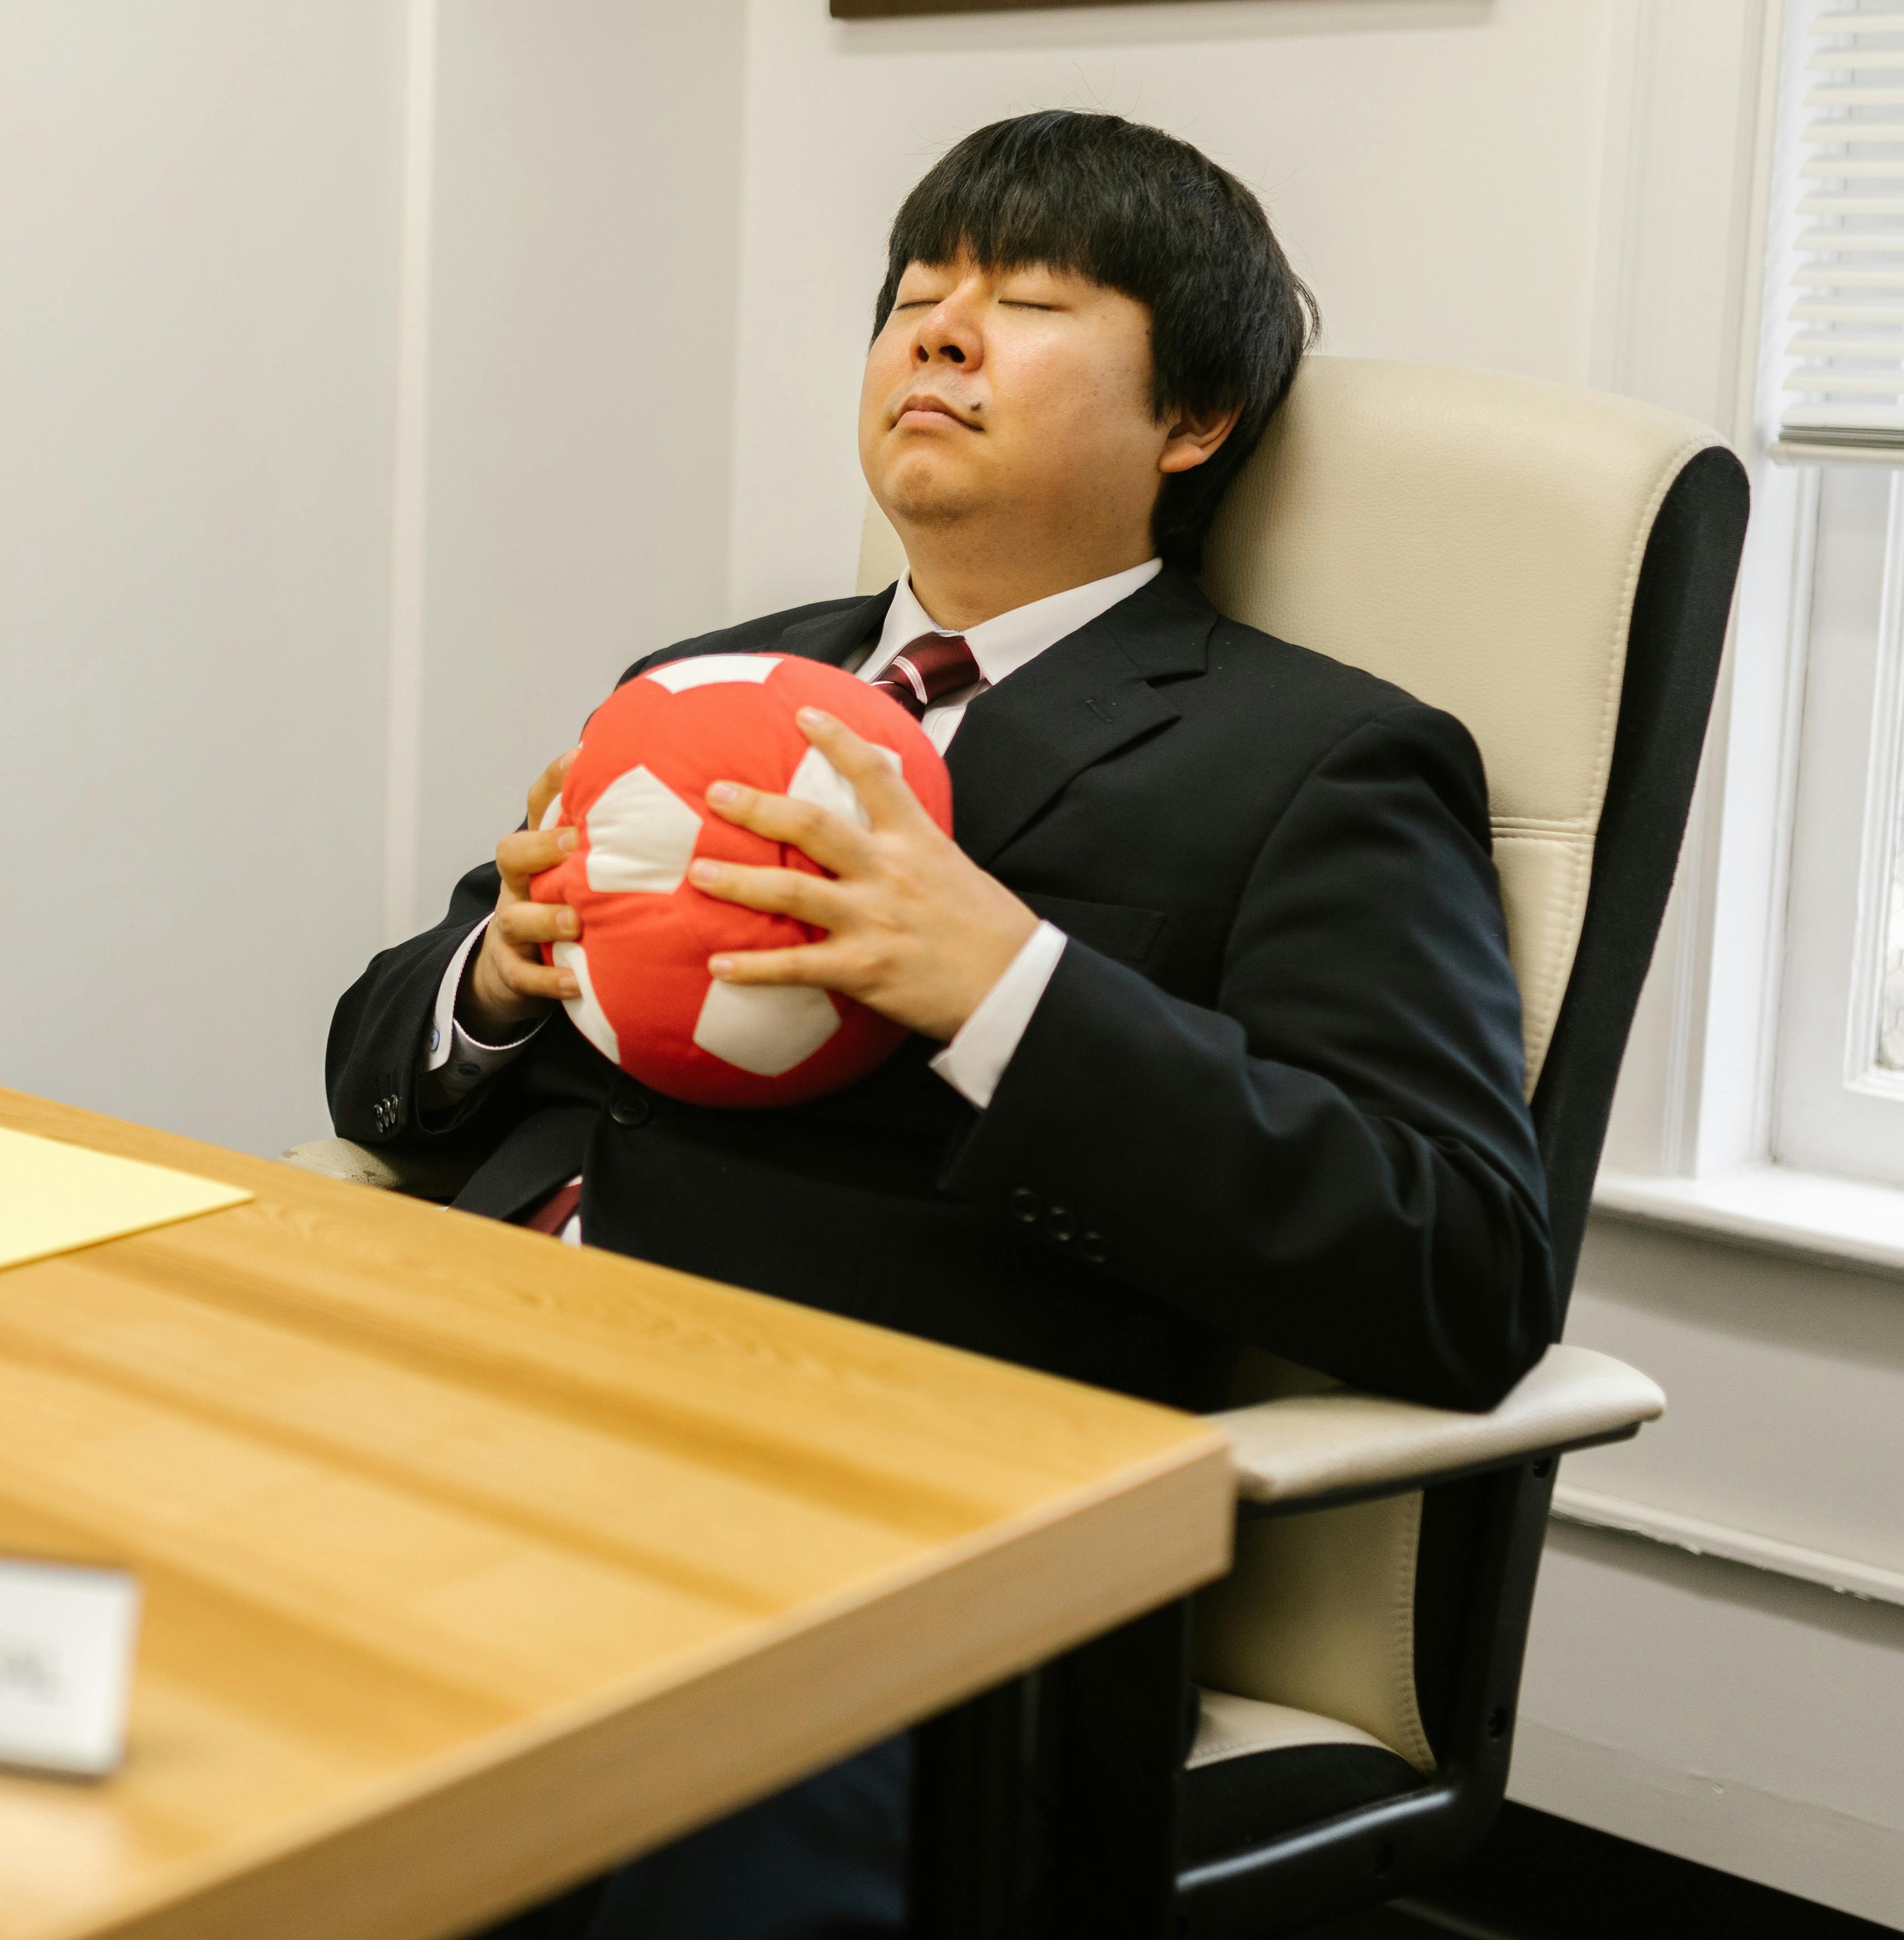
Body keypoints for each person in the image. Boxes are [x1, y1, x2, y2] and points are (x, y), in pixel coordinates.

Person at [322, 111, 1552, 1940]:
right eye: (916, 294)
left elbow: (1455, 1265)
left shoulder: (1317, 761)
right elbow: (373, 1070)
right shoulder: (708, 684)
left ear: (1191, 421)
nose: (940, 333)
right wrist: (498, 974)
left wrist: (1006, 989)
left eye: (1029, 300)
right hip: (467, 1405)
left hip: (871, 1530)